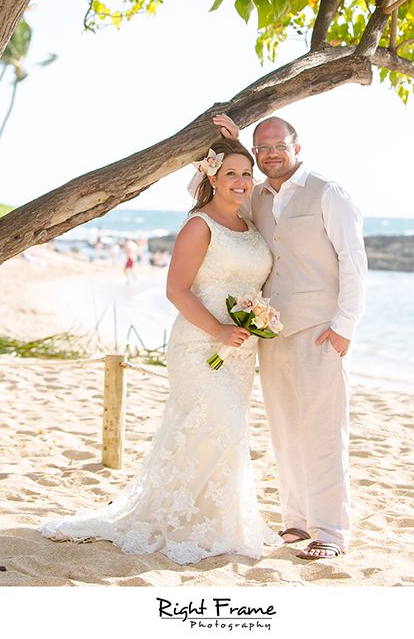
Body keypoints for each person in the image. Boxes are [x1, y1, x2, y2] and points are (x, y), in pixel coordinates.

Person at [39, 138, 281, 564]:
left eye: (247, 173)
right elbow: (177, 290)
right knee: (214, 424)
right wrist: (219, 330)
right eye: (231, 173)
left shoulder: (251, 227)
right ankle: (180, 522)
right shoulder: (199, 226)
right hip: (200, 345)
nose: (241, 181)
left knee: (224, 434)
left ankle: (216, 522)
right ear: (211, 177)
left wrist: (254, 321)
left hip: (240, 351)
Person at [214, 112, 367, 561]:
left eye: (279, 145)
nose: (271, 154)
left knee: (323, 430)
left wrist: (344, 327)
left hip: (322, 331)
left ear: (297, 148)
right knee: (285, 429)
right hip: (273, 331)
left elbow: (353, 263)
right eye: (262, 148)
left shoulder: (328, 192)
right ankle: (297, 521)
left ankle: (331, 531)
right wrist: (230, 148)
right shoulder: (255, 197)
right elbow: (213, 198)